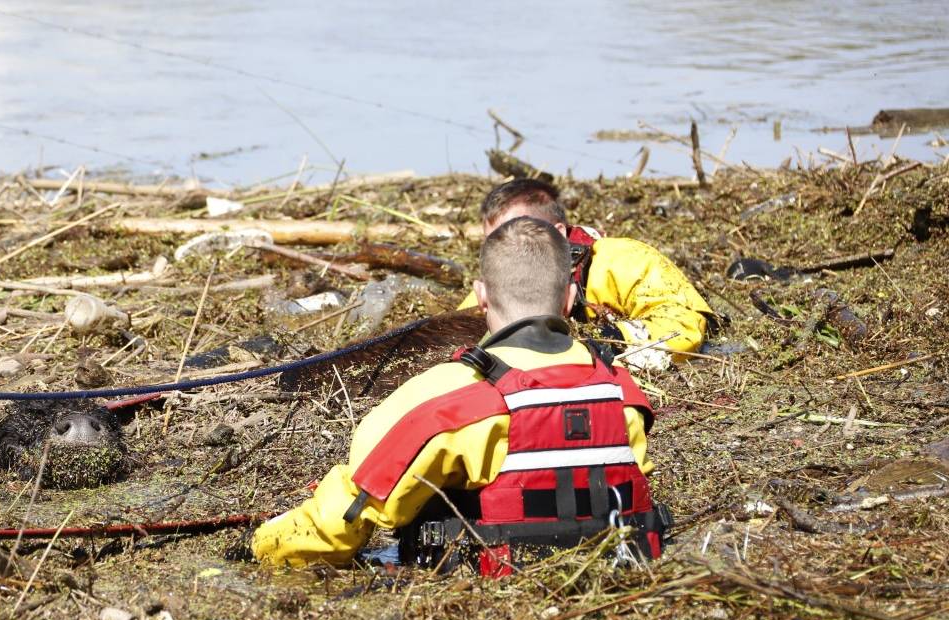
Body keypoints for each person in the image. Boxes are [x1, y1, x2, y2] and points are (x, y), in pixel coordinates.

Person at [252, 217, 671, 574]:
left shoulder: (446, 399)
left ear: (482, 294)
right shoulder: (622, 394)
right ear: (569, 297)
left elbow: (346, 518)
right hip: (607, 573)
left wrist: (262, 547)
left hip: (488, 589)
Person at [459, 178, 713, 370]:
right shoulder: (498, 280)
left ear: (557, 233)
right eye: (495, 242)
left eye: (515, 234)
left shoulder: (622, 260)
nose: (503, 251)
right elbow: (457, 327)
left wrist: (604, 343)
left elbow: (684, 325)